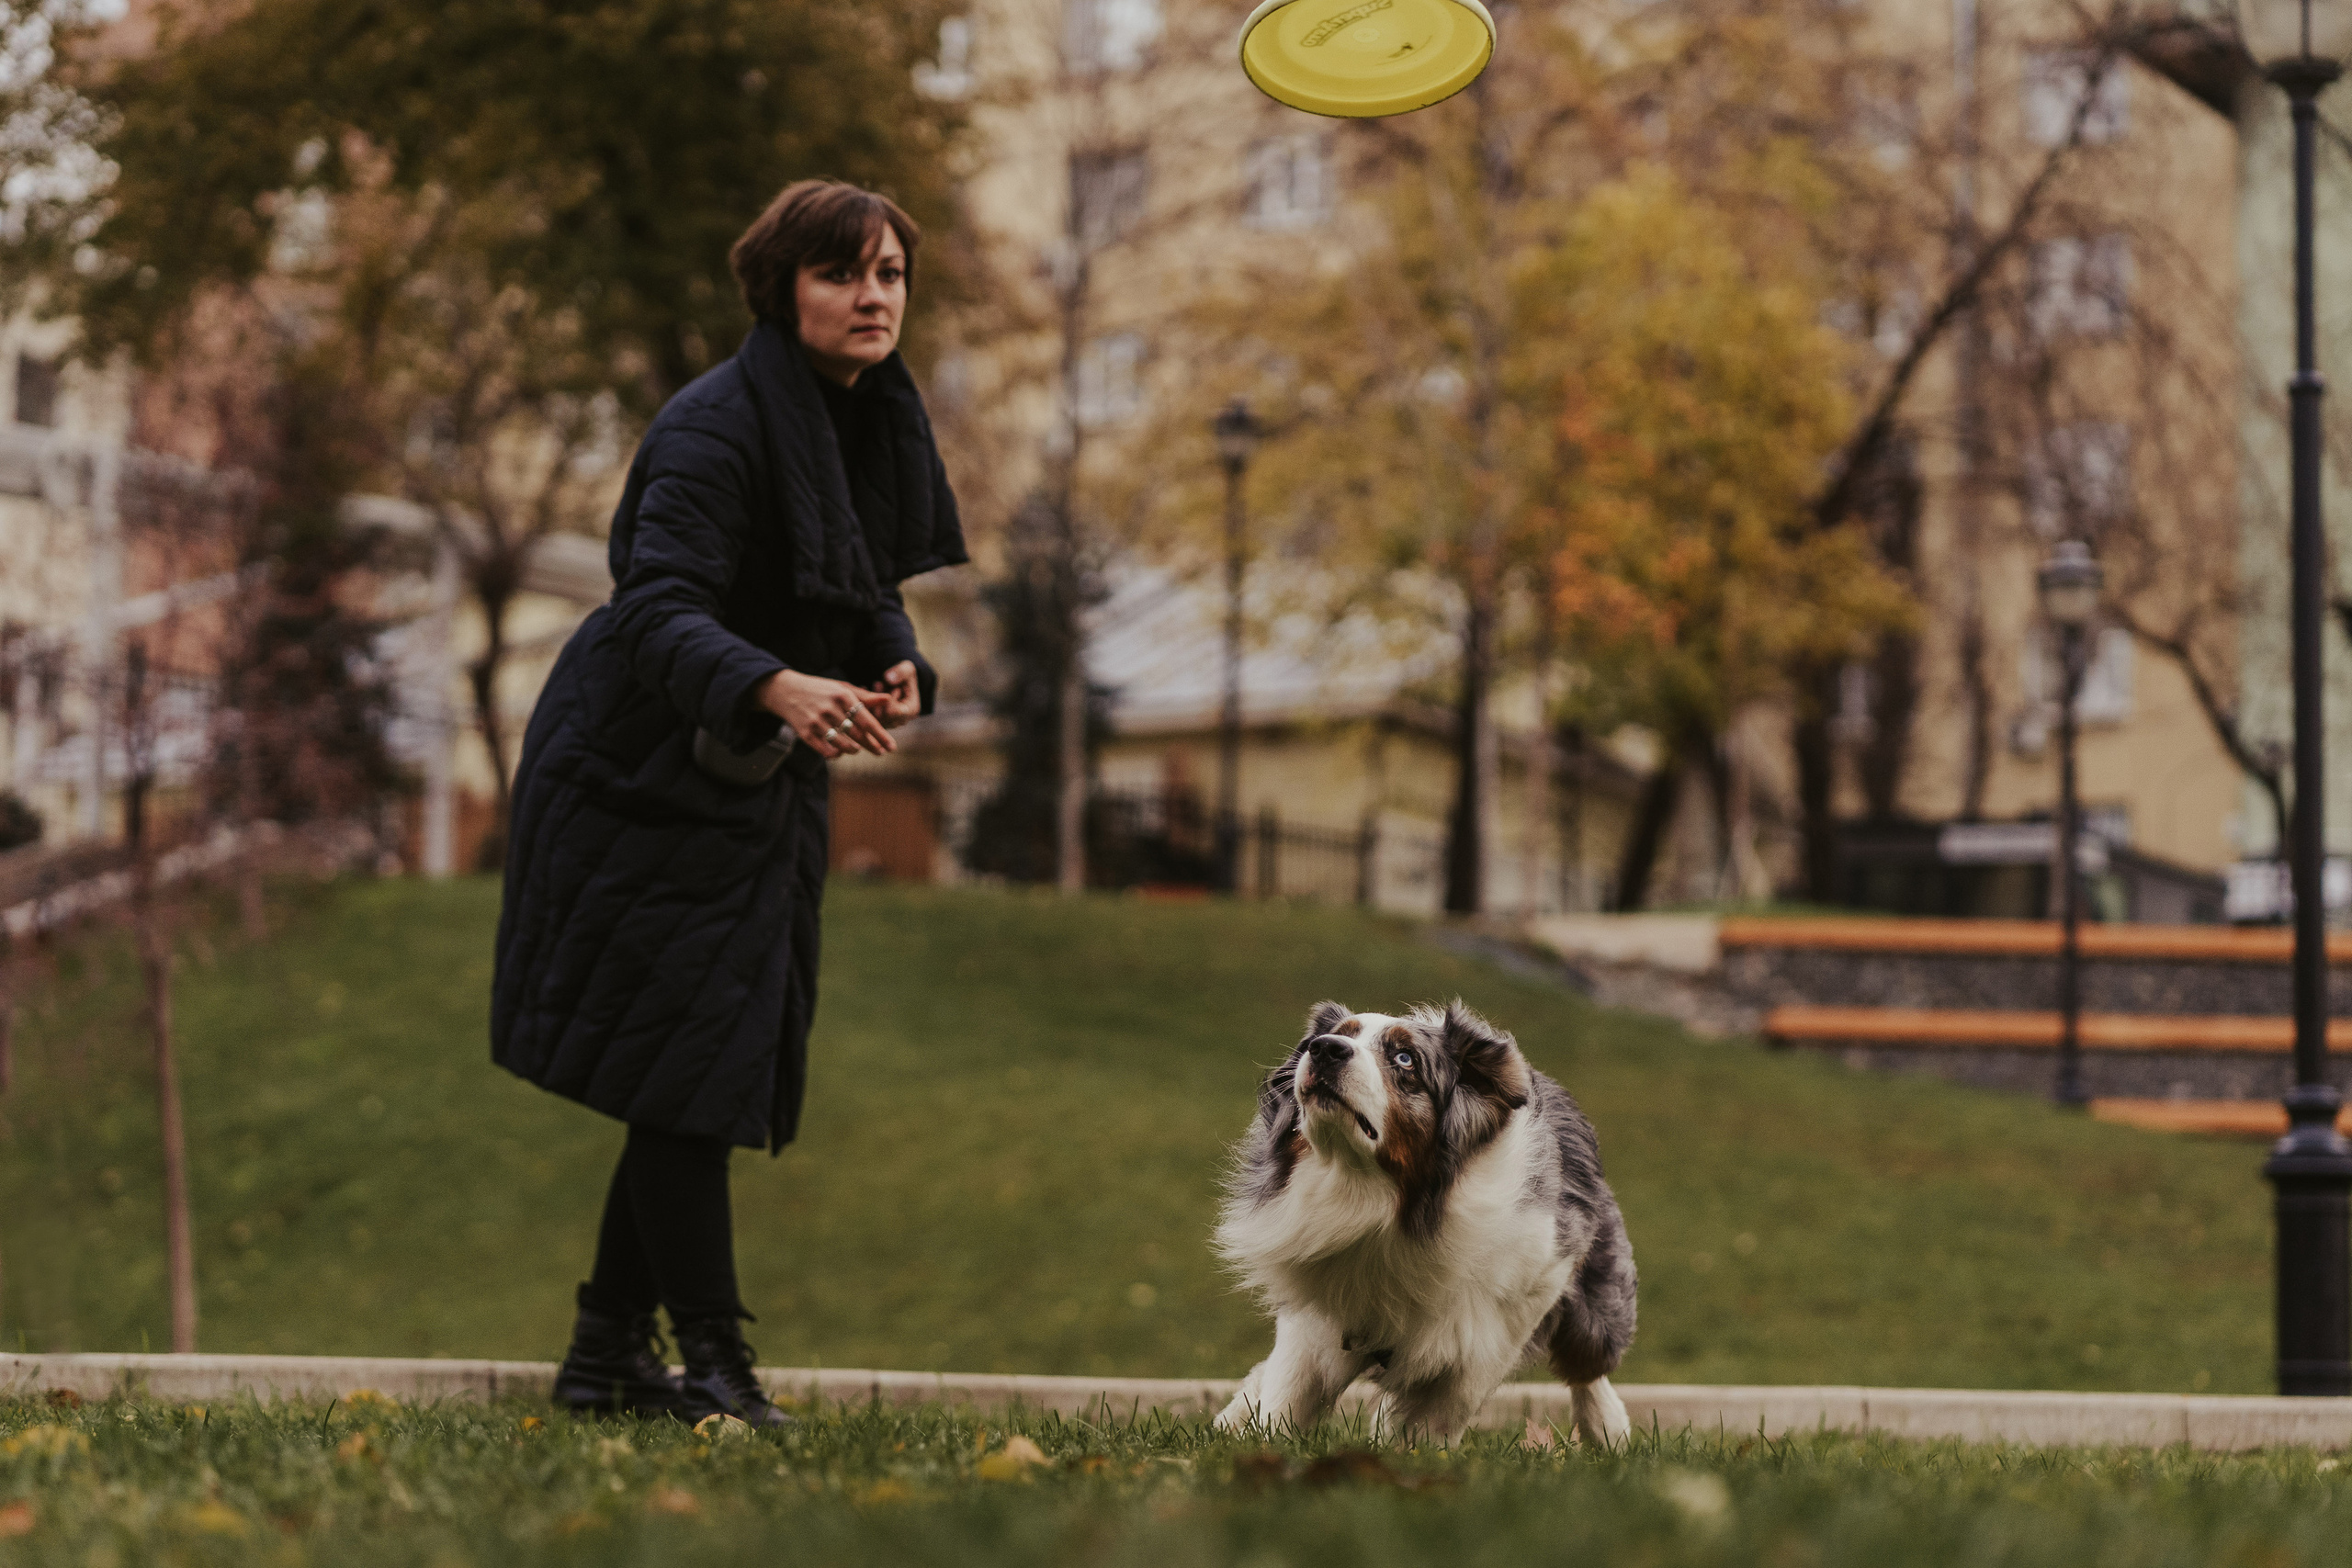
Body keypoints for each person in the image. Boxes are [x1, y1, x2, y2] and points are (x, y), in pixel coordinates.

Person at [490, 180, 966, 1425]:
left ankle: (603, 1363)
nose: (872, 297)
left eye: (890, 275)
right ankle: (716, 1364)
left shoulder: (859, 419)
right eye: (840, 273)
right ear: (780, 289)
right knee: (689, 1074)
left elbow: (853, 574)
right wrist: (775, 682)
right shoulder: (716, 428)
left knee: (692, 1066)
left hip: (747, 781)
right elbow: (653, 607)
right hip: (638, 781)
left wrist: (892, 647)